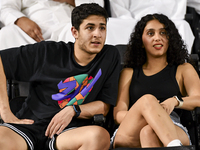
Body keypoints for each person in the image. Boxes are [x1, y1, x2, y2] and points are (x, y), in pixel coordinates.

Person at [0, 3, 121, 150]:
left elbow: (104, 106)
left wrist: (73, 110)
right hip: (30, 126)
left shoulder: (109, 56)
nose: (98, 34)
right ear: (75, 32)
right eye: (90, 28)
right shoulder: (48, 52)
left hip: (68, 131)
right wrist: (5, 112)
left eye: (102, 27)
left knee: (99, 136)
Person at [111, 13, 200, 148]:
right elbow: (118, 115)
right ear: (141, 41)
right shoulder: (128, 72)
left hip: (172, 125)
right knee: (147, 100)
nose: (158, 38)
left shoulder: (183, 69)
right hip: (131, 128)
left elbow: (198, 98)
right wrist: (148, 112)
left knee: (148, 132)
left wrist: (175, 101)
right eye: (150, 33)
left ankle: (172, 143)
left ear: (170, 38)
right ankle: (174, 145)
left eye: (163, 33)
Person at [0, 0, 104, 50]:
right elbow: (4, 7)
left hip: (69, 27)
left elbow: (97, 6)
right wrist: (19, 19)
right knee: (6, 34)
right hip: (30, 34)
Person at [106, 0, 194, 54]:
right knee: (110, 24)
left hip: (170, 21)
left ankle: (180, 65)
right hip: (131, 21)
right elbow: (119, 8)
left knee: (183, 25)